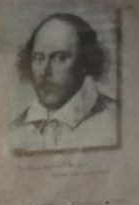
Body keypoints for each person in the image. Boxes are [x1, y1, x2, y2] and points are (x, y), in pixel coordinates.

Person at [9, 12, 117, 152]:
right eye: (39, 58)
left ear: (84, 62)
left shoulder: (113, 120)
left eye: (60, 57)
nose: (45, 71)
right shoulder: (14, 130)